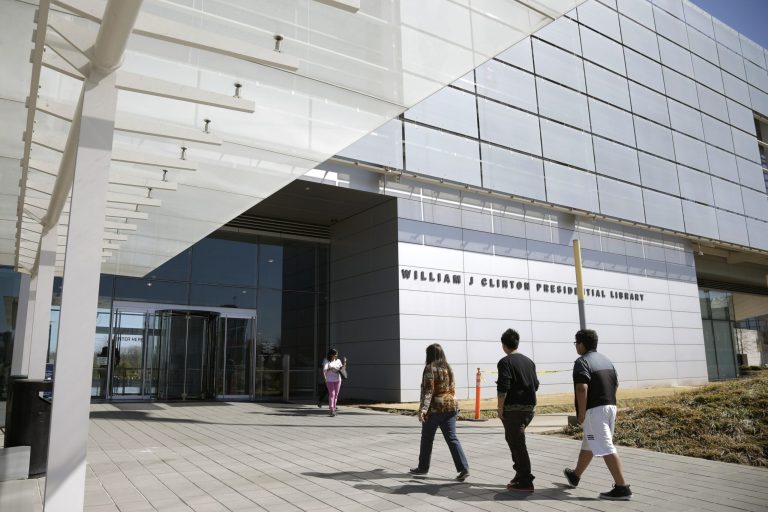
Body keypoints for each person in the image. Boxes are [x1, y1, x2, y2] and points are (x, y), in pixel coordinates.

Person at [563, 329, 632, 501]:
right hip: (610, 407)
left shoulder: (582, 362)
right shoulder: (606, 360)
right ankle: (575, 475)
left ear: (582, 344)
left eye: (576, 343)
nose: (575, 346)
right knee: (590, 443)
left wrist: (581, 412)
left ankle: (622, 487)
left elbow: (582, 388)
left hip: (594, 411)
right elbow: (616, 384)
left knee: (606, 446)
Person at [409, 343, 470, 481]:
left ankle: (423, 467)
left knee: (427, 438)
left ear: (429, 355)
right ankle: (464, 468)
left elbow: (428, 391)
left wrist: (423, 409)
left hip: (435, 409)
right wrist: (456, 407)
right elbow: (452, 388)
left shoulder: (430, 368)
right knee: (452, 438)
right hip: (451, 407)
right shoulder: (449, 368)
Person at [497, 328, 539, 492]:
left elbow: (503, 387)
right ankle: (520, 474)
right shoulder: (529, 362)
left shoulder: (505, 362)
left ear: (504, 345)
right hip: (529, 409)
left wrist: (500, 408)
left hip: (513, 409)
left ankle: (525, 480)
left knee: (517, 443)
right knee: (514, 440)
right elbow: (536, 385)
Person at [323, 348, 346, 416]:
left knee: (336, 395)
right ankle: (332, 409)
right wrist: (331, 368)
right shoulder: (327, 361)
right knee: (332, 394)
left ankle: (334, 409)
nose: (336, 355)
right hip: (329, 380)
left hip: (338, 380)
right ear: (331, 355)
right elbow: (325, 370)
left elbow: (342, 369)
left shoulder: (338, 361)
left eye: (337, 354)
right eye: (335, 354)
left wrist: (345, 362)